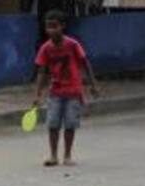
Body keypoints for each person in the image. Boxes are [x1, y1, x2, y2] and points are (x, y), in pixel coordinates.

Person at [33, 10, 98, 167]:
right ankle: (53, 156)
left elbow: (85, 63)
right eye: (48, 27)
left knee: (70, 124)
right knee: (53, 124)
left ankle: (67, 155)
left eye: (54, 27)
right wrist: (38, 94)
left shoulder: (72, 44)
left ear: (62, 27)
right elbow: (41, 72)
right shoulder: (45, 48)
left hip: (74, 92)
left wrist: (93, 84)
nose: (51, 30)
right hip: (55, 92)